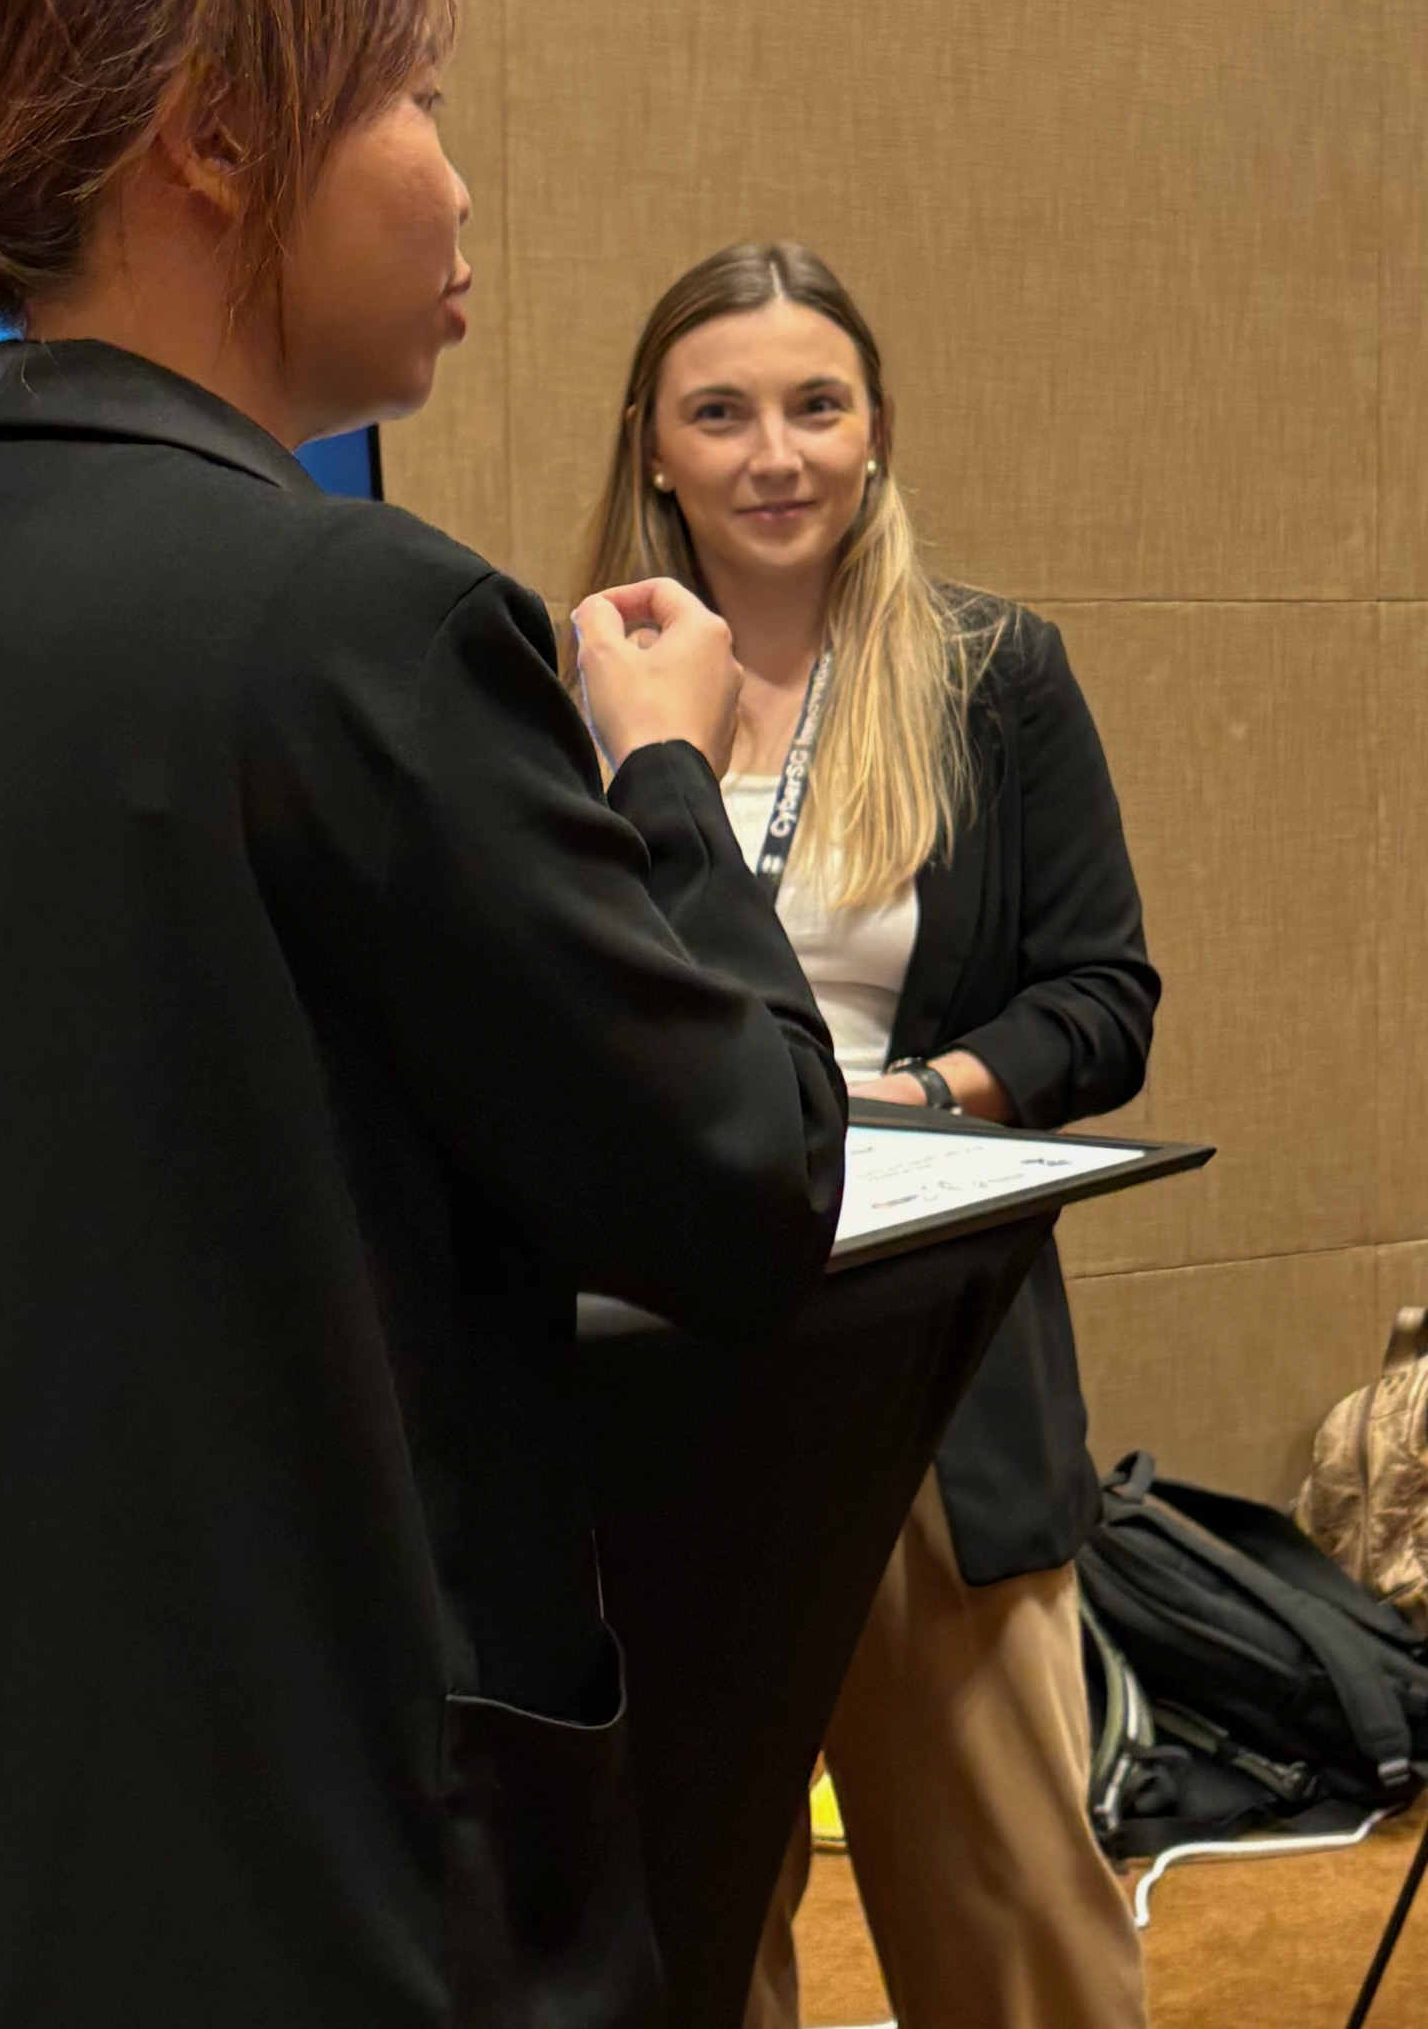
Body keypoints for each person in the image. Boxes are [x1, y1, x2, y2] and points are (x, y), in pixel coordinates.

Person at [0, 0, 847, 2029]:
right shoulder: (352, 626)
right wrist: (673, 780)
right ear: (214, 136)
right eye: (411, 94)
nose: (458, 173)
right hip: (306, 1932)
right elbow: (745, 1184)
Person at [572, 245, 1158, 2029]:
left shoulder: (992, 674)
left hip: (925, 1363)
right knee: (685, 1929)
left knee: (1014, 1928)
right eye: (722, 412)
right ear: (653, 449)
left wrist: (915, 1103)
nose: (776, 454)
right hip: (661, 1369)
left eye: (817, 405)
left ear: (877, 429)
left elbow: (1103, 1001)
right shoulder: (573, 685)